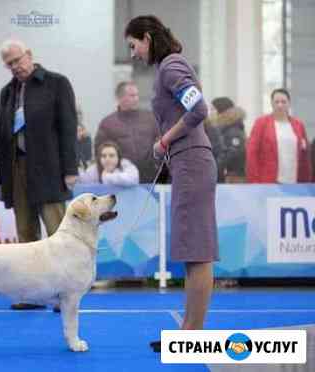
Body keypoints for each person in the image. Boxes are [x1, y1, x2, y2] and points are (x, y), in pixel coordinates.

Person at [125, 15, 218, 352]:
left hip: (191, 161)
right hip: (186, 161)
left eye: (133, 46)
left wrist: (164, 140)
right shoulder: (168, 67)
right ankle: (188, 330)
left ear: (147, 38)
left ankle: (191, 335)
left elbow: (199, 109)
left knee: (197, 251)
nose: (133, 54)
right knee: (192, 250)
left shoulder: (171, 65)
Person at [0, 39, 78, 310]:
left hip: (50, 169)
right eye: (9, 64)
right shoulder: (7, 92)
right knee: (25, 235)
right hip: (17, 169)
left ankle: (62, 296)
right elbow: (3, 138)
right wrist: (0, 178)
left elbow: (68, 127)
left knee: (59, 235)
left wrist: (70, 169)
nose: (15, 67)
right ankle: (31, 295)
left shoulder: (57, 83)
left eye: (17, 60)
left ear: (29, 55)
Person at [94, 81, 158, 183]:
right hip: (121, 181)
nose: (136, 99)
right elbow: (99, 153)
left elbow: (160, 143)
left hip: (151, 180)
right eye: (132, 96)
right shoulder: (107, 124)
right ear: (120, 98)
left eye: (137, 95)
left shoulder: (150, 119)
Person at [246, 88, 311, 183]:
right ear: (272, 103)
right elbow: (252, 153)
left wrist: (306, 179)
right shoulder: (261, 123)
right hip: (268, 181)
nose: (280, 105)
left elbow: (305, 154)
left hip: (294, 181)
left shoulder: (298, 125)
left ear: (289, 103)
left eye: (283, 102)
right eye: (276, 102)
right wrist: (254, 181)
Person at [209, 97, 247, 183]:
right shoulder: (222, 128)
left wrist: (213, 167)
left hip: (233, 177)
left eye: (212, 109)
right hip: (224, 175)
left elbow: (231, 152)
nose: (210, 112)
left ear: (221, 110)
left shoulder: (233, 130)